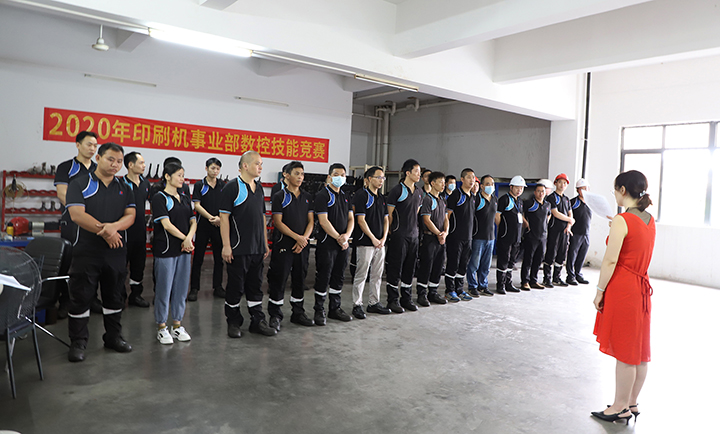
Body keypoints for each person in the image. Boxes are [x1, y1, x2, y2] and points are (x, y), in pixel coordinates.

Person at [591, 170, 655, 424]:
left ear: (623, 190)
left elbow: (610, 260)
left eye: (615, 190)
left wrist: (599, 291)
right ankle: (631, 402)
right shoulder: (649, 219)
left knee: (625, 351)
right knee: (639, 350)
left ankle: (619, 407)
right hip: (641, 287)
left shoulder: (622, 220)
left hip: (624, 288)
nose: (615, 194)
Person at [65, 142, 135, 362]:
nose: (115, 164)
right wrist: (106, 232)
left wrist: (114, 228)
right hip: (87, 251)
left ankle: (113, 337)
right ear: (98, 158)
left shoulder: (125, 187)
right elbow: (77, 214)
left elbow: (130, 215)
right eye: (110, 159)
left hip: (115, 252)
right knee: (81, 297)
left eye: (119, 161)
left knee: (114, 296)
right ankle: (78, 342)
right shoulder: (79, 183)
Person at [219, 151, 276, 338]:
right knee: (235, 287)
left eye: (261, 164)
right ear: (245, 165)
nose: (260, 167)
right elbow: (224, 218)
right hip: (238, 248)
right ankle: (233, 321)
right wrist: (226, 245)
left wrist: (264, 242)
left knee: (255, 286)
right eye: (257, 163)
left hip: (257, 248)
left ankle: (257, 321)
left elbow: (262, 216)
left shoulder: (258, 188)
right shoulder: (232, 187)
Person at [54, 131, 99, 317]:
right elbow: (61, 194)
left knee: (93, 260)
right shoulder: (66, 167)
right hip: (72, 221)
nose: (92, 148)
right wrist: (80, 212)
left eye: (95, 145)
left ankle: (92, 299)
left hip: (93, 222)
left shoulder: (98, 169)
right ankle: (66, 300)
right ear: (78, 145)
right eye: (89, 144)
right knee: (69, 261)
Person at [266, 161, 315, 329]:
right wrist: (297, 238)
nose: (300, 177)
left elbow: (311, 221)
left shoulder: (307, 196)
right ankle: (275, 315)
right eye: (296, 173)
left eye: (302, 174)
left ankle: (298, 312)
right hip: (284, 245)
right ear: (286, 175)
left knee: (299, 279)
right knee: (279, 279)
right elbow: (278, 222)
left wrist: (304, 239)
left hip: (302, 246)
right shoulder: (279, 196)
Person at [152, 162, 196, 344]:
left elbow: (193, 221)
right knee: (164, 289)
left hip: (184, 250)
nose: (182, 179)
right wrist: (185, 239)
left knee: (181, 289)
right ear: (167, 177)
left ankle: (177, 325)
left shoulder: (185, 198)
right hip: (166, 250)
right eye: (179, 175)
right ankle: (162, 327)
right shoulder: (159, 198)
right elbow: (166, 224)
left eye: (183, 175)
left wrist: (189, 239)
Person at [313, 163, 354, 324]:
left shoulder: (345, 195)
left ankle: (334, 308)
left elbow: (351, 219)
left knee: (338, 276)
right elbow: (323, 221)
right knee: (324, 276)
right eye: (337, 174)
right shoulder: (322, 195)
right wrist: (339, 238)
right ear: (329, 177)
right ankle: (319, 310)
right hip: (327, 244)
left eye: (343, 175)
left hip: (343, 244)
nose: (340, 178)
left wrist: (346, 237)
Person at [351, 166, 391, 318]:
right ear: (368, 179)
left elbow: (386, 219)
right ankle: (357, 304)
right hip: (365, 243)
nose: (381, 181)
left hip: (380, 243)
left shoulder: (382, 198)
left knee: (377, 275)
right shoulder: (361, 196)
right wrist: (373, 238)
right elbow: (361, 220)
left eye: (383, 178)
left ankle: (374, 303)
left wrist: (383, 238)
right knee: (361, 274)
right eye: (378, 177)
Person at [385, 159, 424, 313]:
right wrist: (392, 231)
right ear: (407, 173)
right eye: (416, 171)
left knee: (410, 268)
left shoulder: (419, 192)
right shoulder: (397, 190)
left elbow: (416, 213)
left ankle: (406, 299)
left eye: (420, 172)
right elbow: (389, 215)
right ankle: (392, 300)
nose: (419, 174)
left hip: (413, 236)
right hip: (399, 235)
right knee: (395, 268)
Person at [189, 158, 227, 301]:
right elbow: (197, 205)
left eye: (217, 169)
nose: (215, 171)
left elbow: (226, 205)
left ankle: (218, 287)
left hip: (218, 226)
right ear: (206, 168)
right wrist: (211, 217)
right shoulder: (200, 185)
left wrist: (219, 219)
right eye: (212, 168)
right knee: (198, 258)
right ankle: (194, 288)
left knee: (219, 258)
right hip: (203, 226)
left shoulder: (223, 185)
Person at [416, 171, 449, 306]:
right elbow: (427, 220)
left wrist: (445, 233)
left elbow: (446, 219)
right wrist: (438, 234)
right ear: (432, 183)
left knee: (438, 266)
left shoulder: (442, 200)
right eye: (440, 182)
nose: (443, 185)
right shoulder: (427, 199)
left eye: (444, 182)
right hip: (429, 238)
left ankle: (433, 292)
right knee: (426, 265)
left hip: (441, 239)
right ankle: (422, 294)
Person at [122, 151, 150, 308]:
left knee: (139, 265)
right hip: (125, 232)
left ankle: (136, 295)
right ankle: (120, 296)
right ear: (130, 165)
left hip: (140, 231)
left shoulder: (145, 184)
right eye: (141, 163)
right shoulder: (121, 184)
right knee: (121, 266)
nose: (144, 166)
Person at [444, 168, 476, 302]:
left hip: (468, 237)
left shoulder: (473, 197)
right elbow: (447, 216)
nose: (472, 180)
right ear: (462, 179)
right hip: (455, 237)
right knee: (453, 263)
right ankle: (449, 290)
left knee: (463, 265)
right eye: (469, 177)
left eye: (473, 177)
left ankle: (459, 289)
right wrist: (447, 232)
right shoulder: (456, 195)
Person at [466, 174, 497, 297]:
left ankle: (483, 285)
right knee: (474, 264)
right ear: (482, 186)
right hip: (478, 237)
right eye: (488, 184)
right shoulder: (476, 200)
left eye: (492, 184)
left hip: (491, 237)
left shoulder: (494, 199)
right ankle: (472, 286)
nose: (490, 186)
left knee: (486, 265)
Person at [494, 175, 526, 294]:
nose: (519, 190)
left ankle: (508, 283)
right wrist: (502, 230)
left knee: (512, 261)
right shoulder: (504, 199)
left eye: (521, 188)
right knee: (503, 260)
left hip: (516, 237)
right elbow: (497, 216)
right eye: (517, 187)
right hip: (505, 236)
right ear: (511, 187)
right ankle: (500, 285)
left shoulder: (520, 201)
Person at [543, 173, 575, 288]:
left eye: (565, 183)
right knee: (551, 253)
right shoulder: (551, 197)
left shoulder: (566, 199)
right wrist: (570, 220)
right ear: (555, 183)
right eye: (560, 182)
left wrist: (569, 226)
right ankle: (547, 279)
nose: (562, 185)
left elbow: (570, 213)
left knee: (562, 254)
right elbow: (555, 213)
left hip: (565, 231)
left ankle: (556, 278)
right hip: (554, 230)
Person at [520, 182, 551, 290]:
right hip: (531, 236)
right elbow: (520, 213)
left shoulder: (547, 204)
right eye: (538, 191)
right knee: (528, 259)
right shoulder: (529, 203)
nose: (541, 193)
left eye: (543, 191)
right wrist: (525, 222)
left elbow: (548, 216)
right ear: (535, 192)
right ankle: (525, 281)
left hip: (543, 237)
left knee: (538, 259)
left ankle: (533, 280)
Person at [566, 178, 592, 285]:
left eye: (586, 188)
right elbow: (568, 215)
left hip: (586, 233)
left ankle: (578, 274)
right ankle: (570, 276)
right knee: (572, 255)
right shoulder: (573, 202)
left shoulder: (591, 202)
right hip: (576, 233)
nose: (584, 191)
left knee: (582, 255)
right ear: (577, 190)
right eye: (582, 189)